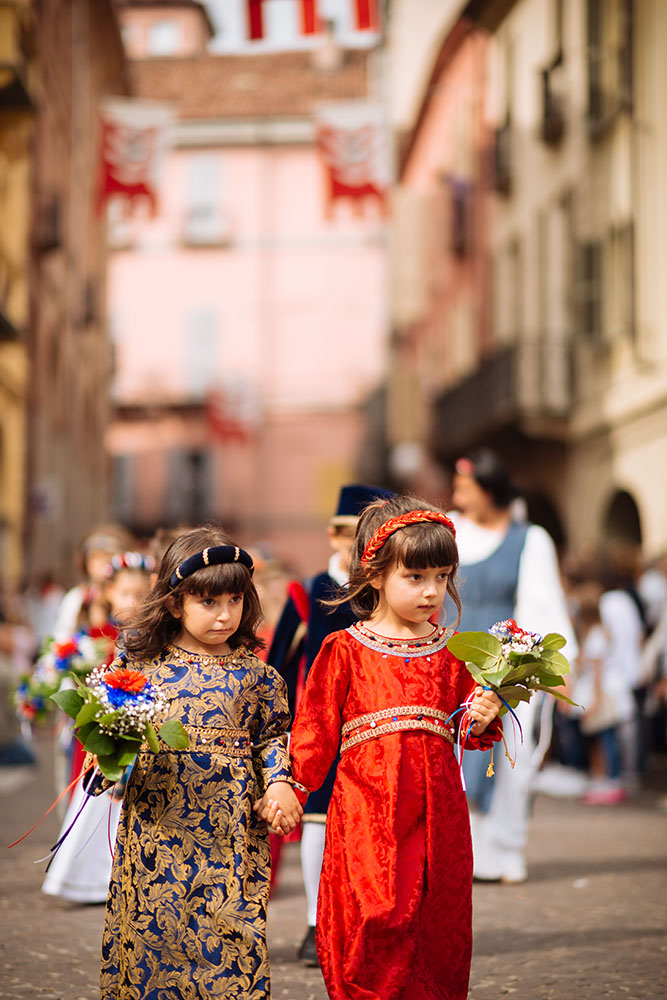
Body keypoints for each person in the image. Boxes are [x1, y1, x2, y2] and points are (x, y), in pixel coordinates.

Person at [256, 495, 503, 1000]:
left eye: (441, 577)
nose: (432, 591)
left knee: (432, 921)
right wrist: (287, 786)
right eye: (416, 577)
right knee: (373, 915)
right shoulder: (343, 649)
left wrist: (482, 716)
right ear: (374, 575)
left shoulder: (452, 651)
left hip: (438, 818)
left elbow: (466, 730)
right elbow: (314, 732)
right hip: (368, 814)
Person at [86, 526, 302, 1000]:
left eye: (236, 600)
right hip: (157, 834)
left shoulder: (258, 676)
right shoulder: (139, 670)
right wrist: (106, 763)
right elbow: (106, 741)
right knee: (155, 942)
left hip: (231, 836)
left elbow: (271, 738)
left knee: (230, 939)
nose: (226, 615)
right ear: (173, 602)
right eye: (209, 602)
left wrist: (280, 784)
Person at [267, 482, 393, 966]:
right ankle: (317, 924)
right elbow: (279, 664)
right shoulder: (310, 593)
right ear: (333, 535)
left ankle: (369, 921)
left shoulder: (385, 589)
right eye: (352, 534)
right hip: (321, 725)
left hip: (375, 722)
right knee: (317, 821)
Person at [450, 448, 577, 883]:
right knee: (455, 754)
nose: (458, 494)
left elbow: (543, 602)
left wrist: (547, 667)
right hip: (453, 656)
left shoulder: (530, 538)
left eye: (466, 486)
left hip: (508, 662)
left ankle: (503, 852)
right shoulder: (448, 529)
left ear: (490, 490)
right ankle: (462, 852)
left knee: (511, 759)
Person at [42, 552, 155, 903]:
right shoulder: (96, 636)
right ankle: (87, 878)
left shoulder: (155, 637)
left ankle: (126, 873)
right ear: (108, 593)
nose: (133, 603)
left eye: (142, 595)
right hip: (104, 731)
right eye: (125, 595)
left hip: (141, 728)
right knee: (97, 800)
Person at [571, 581, 633, 804]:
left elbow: (597, 673)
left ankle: (610, 778)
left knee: (605, 739)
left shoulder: (596, 635)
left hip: (600, 693)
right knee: (600, 738)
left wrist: (594, 701)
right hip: (599, 691)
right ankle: (602, 778)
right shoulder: (596, 632)